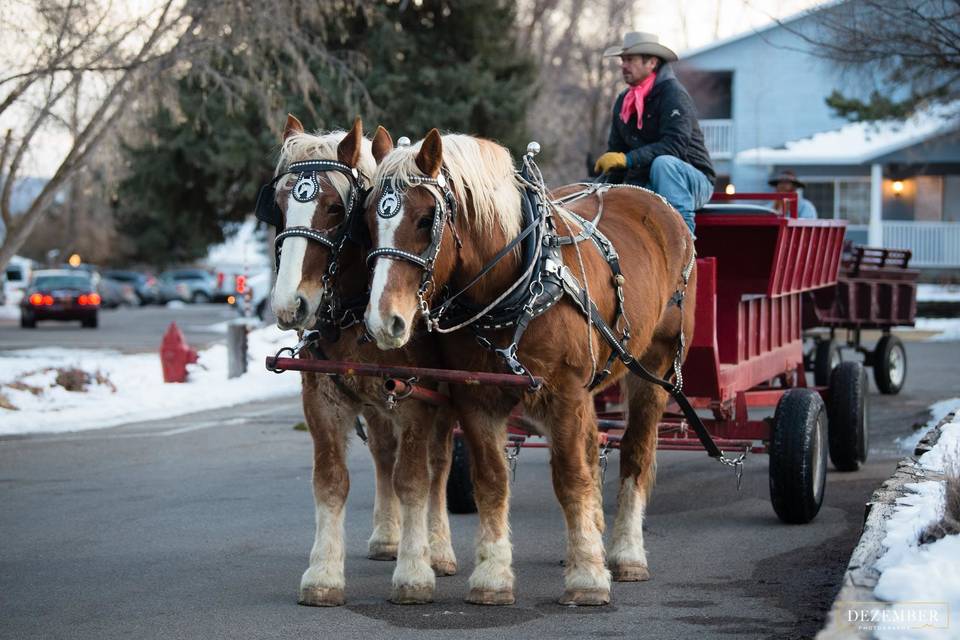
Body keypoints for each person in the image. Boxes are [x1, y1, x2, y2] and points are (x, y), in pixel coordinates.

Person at [594, 31, 716, 236]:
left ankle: (683, 243)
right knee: (609, 196)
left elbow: (674, 146)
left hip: (691, 180)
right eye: (623, 60)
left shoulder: (673, 94)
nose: (623, 65)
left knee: (664, 164)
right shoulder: (624, 101)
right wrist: (600, 186)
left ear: (651, 62)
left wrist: (627, 159)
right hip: (646, 179)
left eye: (630, 60)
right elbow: (617, 151)